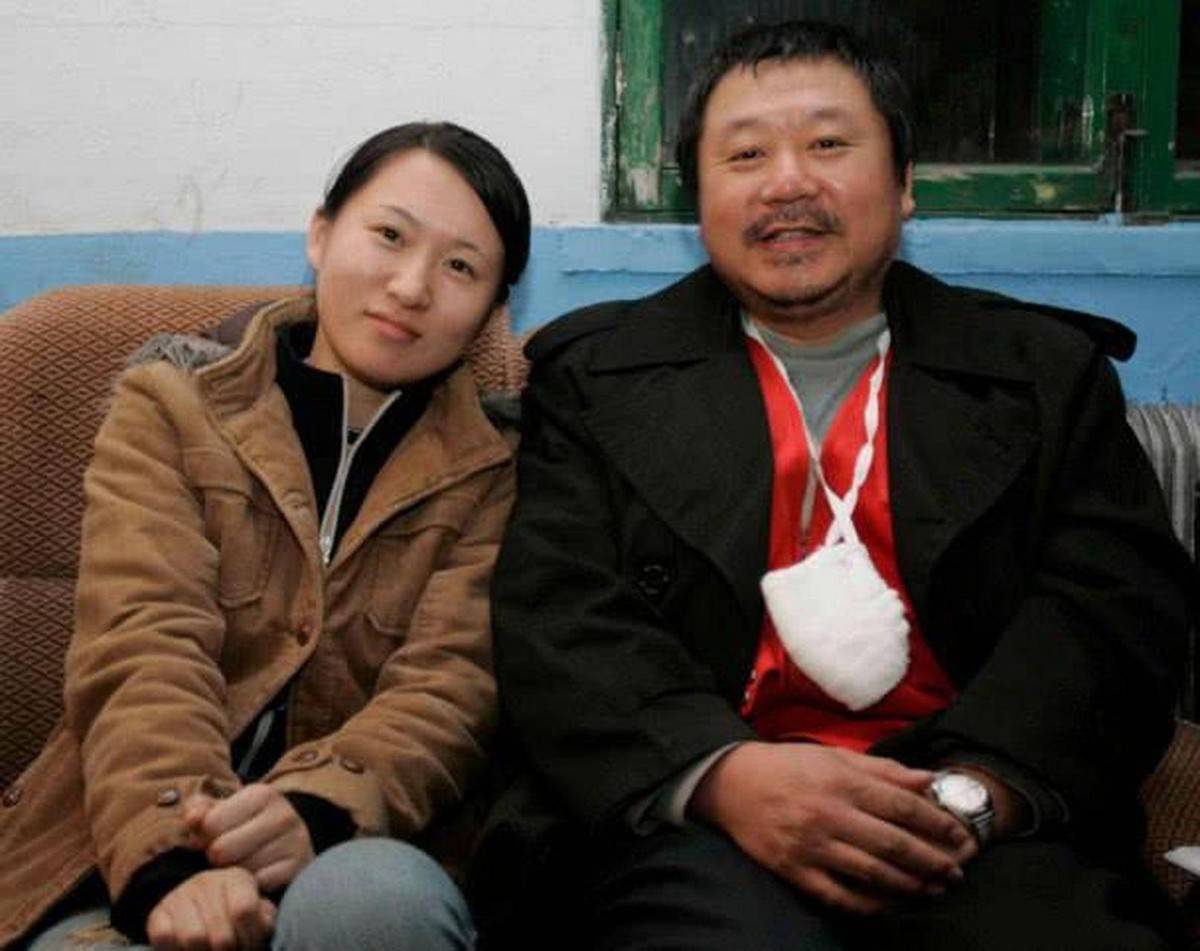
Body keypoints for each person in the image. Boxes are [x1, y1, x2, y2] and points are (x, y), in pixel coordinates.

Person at [478, 20, 1193, 951]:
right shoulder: (595, 378)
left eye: (827, 143)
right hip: (690, 824)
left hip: (973, 815)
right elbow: (558, 617)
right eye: (745, 154)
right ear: (701, 201)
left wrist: (972, 796)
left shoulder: (1043, 373)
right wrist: (724, 777)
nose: (786, 183)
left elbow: (1113, 616)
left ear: (903, 184)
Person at [0, 120, 530, 950]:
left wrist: (316, 808)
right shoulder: (172, 406)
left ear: (493, 309)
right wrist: (178, 862)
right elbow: (142, 640)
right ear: (320, 235)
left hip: (366, 848)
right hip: (118, 850)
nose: (410, 286)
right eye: (389, 236)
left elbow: (452, 690)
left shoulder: (500, 467)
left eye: (460, 267)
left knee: (371, 907)